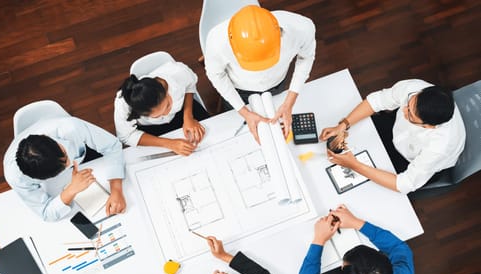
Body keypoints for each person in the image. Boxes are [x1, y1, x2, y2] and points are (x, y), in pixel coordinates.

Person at [320, 80, 466, 194]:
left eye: (410, 115)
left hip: (411, 160)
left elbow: (404, 184)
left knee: (362, 187)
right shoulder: (413, 88)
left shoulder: (439, 147)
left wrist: (354, 165)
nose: (403, 110)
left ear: (428, 126)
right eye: (408, 104)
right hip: (395, 132)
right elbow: (376, 101)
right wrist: (343, 125)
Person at [204, 5, 316, 142]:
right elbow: (216, 75)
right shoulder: (217, 41)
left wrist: (289, 103)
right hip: (239, 89)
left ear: (279, 33)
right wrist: (244, 113)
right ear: (232, 42)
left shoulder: (302, 28)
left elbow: (306, 57)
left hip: (277, 82)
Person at [3, 116, 126, 222]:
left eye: (65, 156)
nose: (69, 165)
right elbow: (46, 213)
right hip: (56, 185)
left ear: (46, 136)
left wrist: (116, 190)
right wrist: (71, 190)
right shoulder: (16, 177)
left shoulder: (71, 127)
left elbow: (112, 146)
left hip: (86, 156)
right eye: (63, 167)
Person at [114, 60, 210, 156]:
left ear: (165, 89)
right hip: (152, 129)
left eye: (168, 105)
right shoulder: (123, 105)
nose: (167, 113)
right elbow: (126, 136)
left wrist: (188, 116)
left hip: (182, 110)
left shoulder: (177, 72)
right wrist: (169, 143)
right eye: (158, 115)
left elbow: (190, 85)